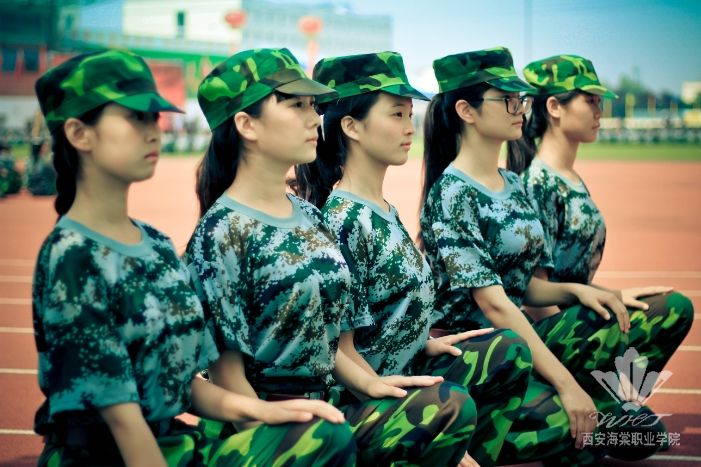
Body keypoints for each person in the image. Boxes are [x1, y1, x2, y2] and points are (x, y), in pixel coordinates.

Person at [32, 48, 356, 466]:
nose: (154, 130)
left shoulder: (155, 243)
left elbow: (184, 382)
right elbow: (122, 419)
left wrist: (264, 411)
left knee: (322, 433)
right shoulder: (73, 256)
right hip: (102, 457)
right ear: (79, 134)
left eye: (154, 116)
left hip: (173, 445)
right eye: (135, 117)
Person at [184, 47, 477, 466]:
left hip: (326, 413)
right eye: (297, 105)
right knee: (334, 437)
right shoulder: (222, 233)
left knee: (447, 402)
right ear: (247, 124)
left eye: (313, 105)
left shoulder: (309, 215)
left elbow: (332, 342)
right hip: (266, 428)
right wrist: (284, 441)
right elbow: (227, 378)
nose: (313, 119)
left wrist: (373, 387)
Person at [418, 46, 667, 464]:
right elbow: (495, 305)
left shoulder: (512, 183)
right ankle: (479, 437)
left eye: (520, 98)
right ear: (467, 111)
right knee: (601, 429)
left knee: (635, 420)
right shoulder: (453, 192)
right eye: (507, 99)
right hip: (482, 358)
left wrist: (578, 291)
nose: (520, 107)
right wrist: (568, 385)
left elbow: (524, 288)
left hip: (516, 345)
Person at [294, 51, 533, 467]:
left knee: (507, 351)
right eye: (396, 114)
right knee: (452, 404)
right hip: (365, 398)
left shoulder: (381, 208)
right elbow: (340, 350)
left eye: (409, 114)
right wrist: (392, 394)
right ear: (351, 126)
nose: (409, 127)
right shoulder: (345, 219)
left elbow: (382, 315)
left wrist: (420, 339)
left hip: (406, 371)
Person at [508, 53, 693, 400]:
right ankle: (595, 400)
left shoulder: (568, 177)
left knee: (667, 307)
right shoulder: (539, 183)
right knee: (673, 309)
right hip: (558, 332)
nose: (599, 111)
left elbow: (568, 276)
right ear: (554, 107)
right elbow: (534, 297)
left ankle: (616, 400)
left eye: (599, 102)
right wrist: (567, 368)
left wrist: (614, 296)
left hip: (579, 316)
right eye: (589, 101)